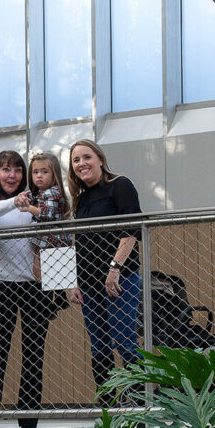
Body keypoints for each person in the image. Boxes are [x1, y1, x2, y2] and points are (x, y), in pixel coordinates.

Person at [0, 150, 54, 428]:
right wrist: (14, 202)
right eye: (6, 170)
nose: (12, 176)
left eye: (18, 170)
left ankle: (28, 422)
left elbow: (54, 227)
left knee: (33, 354)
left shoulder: (37, 200)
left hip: (35, 287)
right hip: (0, 286)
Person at [66, 139, 142, 404]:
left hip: (119, 280)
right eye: (76, 160)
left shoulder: (120, 185)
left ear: (99, 158)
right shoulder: (81, 198)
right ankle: (107, 404)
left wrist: (115, 268)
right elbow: (79, 242)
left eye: (86, 157)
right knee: (99, 345)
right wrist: (72, 281)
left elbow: (132, 230)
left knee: (124, 340)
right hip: (88, 284)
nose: (81, 164)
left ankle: (141, 402)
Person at [25, 152, 73, 309]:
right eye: (35, 172)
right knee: (49, 272)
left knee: (42, 271)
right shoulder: (41, 193)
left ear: (54, 175)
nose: (39, 176)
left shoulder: (52, 192)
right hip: (46, 238)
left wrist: (28, 208)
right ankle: (59, 298)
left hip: (51, 239)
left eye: (45, 172)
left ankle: (49, 303)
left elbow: (46, 214)